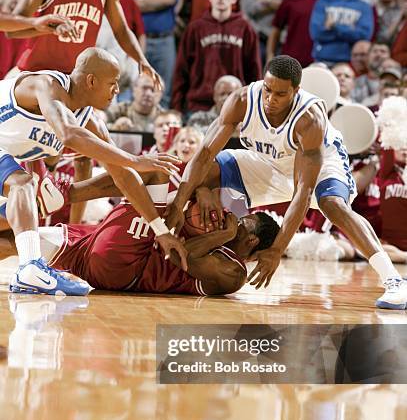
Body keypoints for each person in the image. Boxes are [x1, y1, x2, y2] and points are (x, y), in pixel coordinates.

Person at [165, 55, 407, 309]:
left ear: (296, 91)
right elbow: (203, 154)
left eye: (280, 94)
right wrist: (189, 196)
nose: (271, 99)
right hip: (269, 161)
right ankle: (166, 235)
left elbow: (303, 191)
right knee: (207, 171)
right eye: (268, 90)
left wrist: (277, 250)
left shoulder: (309, 119)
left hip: (322, 165)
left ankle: (393, 280)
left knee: (333, 205)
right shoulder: (241, 100)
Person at [0, 47, 186, 295]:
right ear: (91, 80)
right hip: (8, 159)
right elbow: (69, 133)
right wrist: (135, 159)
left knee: (23, 217)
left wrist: (161, 231)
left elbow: (123, 176)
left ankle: (31, 268)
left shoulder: (91, 122)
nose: (117, 90)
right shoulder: (47, 85)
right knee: (24, 184)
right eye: (113, 83)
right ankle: (31, 269)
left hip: (9, 157)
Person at [0, 177, 281, 296]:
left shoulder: (234, 273)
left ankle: (64, 193)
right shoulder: (215, 232)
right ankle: (43, 201)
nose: (233, 218)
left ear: (252, 240)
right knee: (21, 240)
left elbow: (184, 256)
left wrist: (225, 234)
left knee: (153, 173)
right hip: (104, 251)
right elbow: (200, 173)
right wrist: (200, 192)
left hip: (132, 265)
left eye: (243, 222)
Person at [8, 0, 160, 87]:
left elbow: (121, 30)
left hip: (76, 77)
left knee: (98, 113)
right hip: (38, 71)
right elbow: (12, 30)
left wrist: (141, 60)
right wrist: (50, 28)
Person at [171, 0, 261, 114]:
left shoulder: (245, 29)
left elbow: (254, 70)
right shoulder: (195, 28)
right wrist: (176, 106)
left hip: (235, 104)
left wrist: (253, 107)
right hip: (198, 105)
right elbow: (181, 70)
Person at [125, 0, 180, 107]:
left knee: (164, 87)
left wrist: (143, 2)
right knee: (134, 83)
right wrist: (158, 1)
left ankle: (162, 121)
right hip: (139, 41)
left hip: (165, 41)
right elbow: (131, 5)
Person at [309, 0, 374, 65]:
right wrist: (350, 30)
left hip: (351, 62)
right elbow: (316, 33)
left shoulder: (364, 6)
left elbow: (364, 36)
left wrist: (334, 26)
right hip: (323, 60)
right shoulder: (323, 2)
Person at [266, 0, 326, 67]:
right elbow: (276, 30)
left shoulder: (330, 3)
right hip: (291, 61)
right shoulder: (290, 1)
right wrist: (270, 55)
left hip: (320, 62)